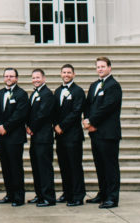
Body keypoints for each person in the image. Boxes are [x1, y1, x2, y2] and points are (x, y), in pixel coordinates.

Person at [83, 57, 122, 209]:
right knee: (99, 165)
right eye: (98, 67)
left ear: (109, 68)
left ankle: (112, 197)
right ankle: (103, 193)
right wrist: (87, 120)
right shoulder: (94, 85)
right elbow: (88, 105)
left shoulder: (114, 86)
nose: (100, 69)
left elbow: (107, 108)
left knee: (110, 166)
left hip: (108, 133)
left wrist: (92, 121)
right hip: (95, 133)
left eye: (103, 66)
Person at [0, 67, 29, 207]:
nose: (8, 78)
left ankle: (19, 197)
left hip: (15, 137)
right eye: (6, 76)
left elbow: (20, 115)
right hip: (2, 136)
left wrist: (6, 127)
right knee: (5, 167)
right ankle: (9, 194)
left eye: (11, 76)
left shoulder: (22, 94)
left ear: (16, 78)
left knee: (16, 167)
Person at [53, 64, 86, 207]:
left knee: (75, 166)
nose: (66, 74)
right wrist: (55, 125)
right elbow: (53, 110)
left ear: (74, 74)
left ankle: (78, 195)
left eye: (69, 72)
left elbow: (76, 111)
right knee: (64, 166)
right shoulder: (57, 91)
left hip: (73, 135)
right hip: (60, 136)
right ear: (61, 74)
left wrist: (62, 126)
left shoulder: (78, 91)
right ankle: (67, 193)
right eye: (64, 72)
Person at [26, 68, 56, 206]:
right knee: (36, 167)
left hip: (44, 137)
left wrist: (31, 127)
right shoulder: (34, 93)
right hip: (35, 137)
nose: (35, 80)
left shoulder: (47, 94)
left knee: (44, 168)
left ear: (44, 78)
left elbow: (43, 114)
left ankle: (48, 198)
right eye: (33, 78)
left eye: (38, 77)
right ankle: (39, 195)